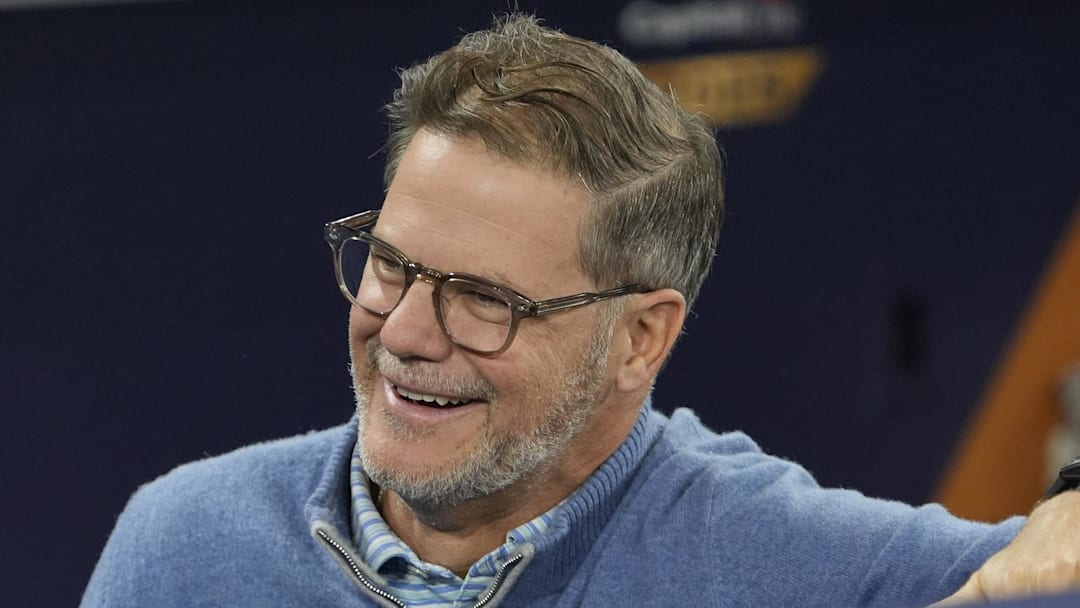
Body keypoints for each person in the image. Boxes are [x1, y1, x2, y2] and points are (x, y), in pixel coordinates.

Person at [82, 13, 1080, 608]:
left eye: (485, 299)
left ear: (641, 337)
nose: (406, 333)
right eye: (390, 264)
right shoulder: (183, 547)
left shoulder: (794, 565)